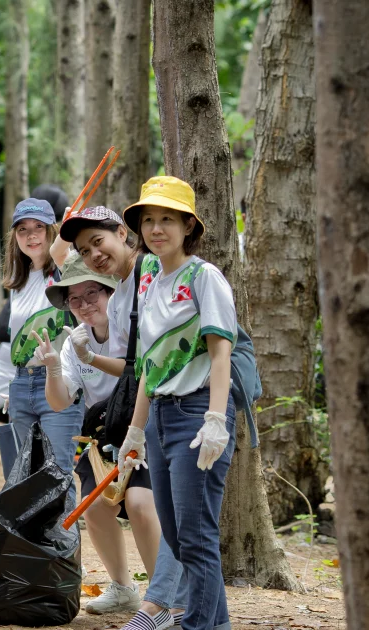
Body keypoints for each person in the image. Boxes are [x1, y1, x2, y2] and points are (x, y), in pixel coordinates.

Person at [30, 244, 188, 628]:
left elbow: (137, 372)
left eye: (92, 293)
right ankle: (122, 586)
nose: (84, 304)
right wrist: (53, 367)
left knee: (139, 502)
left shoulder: (129, 326)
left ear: (110, 291)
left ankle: (162, 597)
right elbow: (61, 400)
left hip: (142, 425)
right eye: (74, 299)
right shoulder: (73, 340)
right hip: (100, 436)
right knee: (95, 507)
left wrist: (91, 359)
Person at [117, 176, 238, 630]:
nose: (156, 228)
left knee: (196, 537)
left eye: (167, 218)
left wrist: (215, 419)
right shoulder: (148, 275)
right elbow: (151, 362)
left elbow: (220, 351)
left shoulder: (204, 277)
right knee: (180, 538)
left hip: (199, 413)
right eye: (149, 220)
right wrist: (135, 431)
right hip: (160, 419)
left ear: (189, 225)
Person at [1, 198, 84, 497]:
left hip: (59, 381)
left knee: (58, 473)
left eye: (39, 227)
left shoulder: (65, 270)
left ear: (52, 230)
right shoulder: (18, 282)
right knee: (26, 476)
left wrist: (66, 236)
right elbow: (17, 337)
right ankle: (35, 546)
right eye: (22, 229)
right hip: (22, 386)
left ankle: (65, 545)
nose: (31, 235)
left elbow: (63, 256)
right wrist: (14, 383)